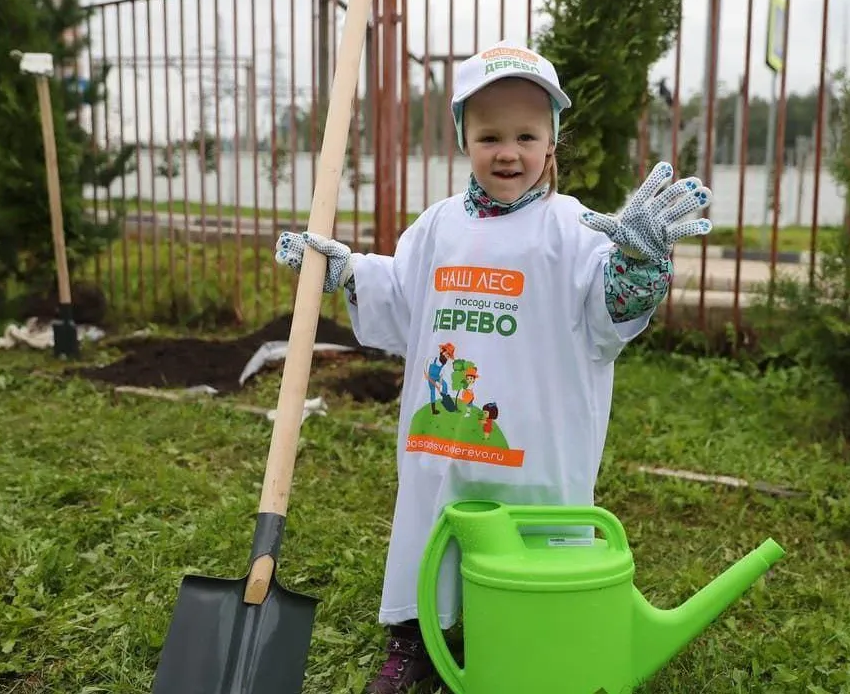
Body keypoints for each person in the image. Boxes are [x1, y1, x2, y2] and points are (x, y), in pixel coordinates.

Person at [274, 40, 713, 693]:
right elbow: (401, 298)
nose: (508, 152)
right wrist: (348, 271)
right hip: (441, 443)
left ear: (552, 142)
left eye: (526, 135)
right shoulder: (436, 227)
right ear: (463, 139)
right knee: (429, 532)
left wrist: (640, 266)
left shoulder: (575, 229)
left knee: (532, 550)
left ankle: (527, 638)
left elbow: (608, 316)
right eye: (489, 136)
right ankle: (415, 641)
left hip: (537, 452)